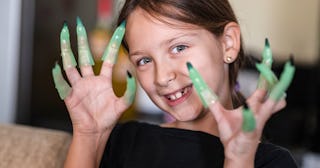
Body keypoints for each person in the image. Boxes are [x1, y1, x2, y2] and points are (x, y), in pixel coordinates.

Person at [53, 0, 298, 167]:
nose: (162, 77)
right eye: (144, 60)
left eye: (179, 47)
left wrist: (238, 159)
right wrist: (89, 133)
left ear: (228, 43)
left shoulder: (270, 162)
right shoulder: (124, 142)